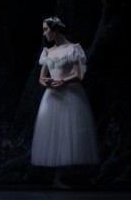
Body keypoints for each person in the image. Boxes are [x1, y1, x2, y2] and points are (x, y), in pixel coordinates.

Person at [31, 16, 99, 189]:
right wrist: (45, 82)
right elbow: (41, 78)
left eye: (46, 29)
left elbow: (79, 75)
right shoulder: (47, 51)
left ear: (55, 30)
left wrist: (64, 81)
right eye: (44, 30)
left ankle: (89, 175)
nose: (45, 33)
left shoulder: (73, 49)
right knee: (57, 136)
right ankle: (57, 179)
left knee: (76, 133)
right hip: (53, 96)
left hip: (70, 94)